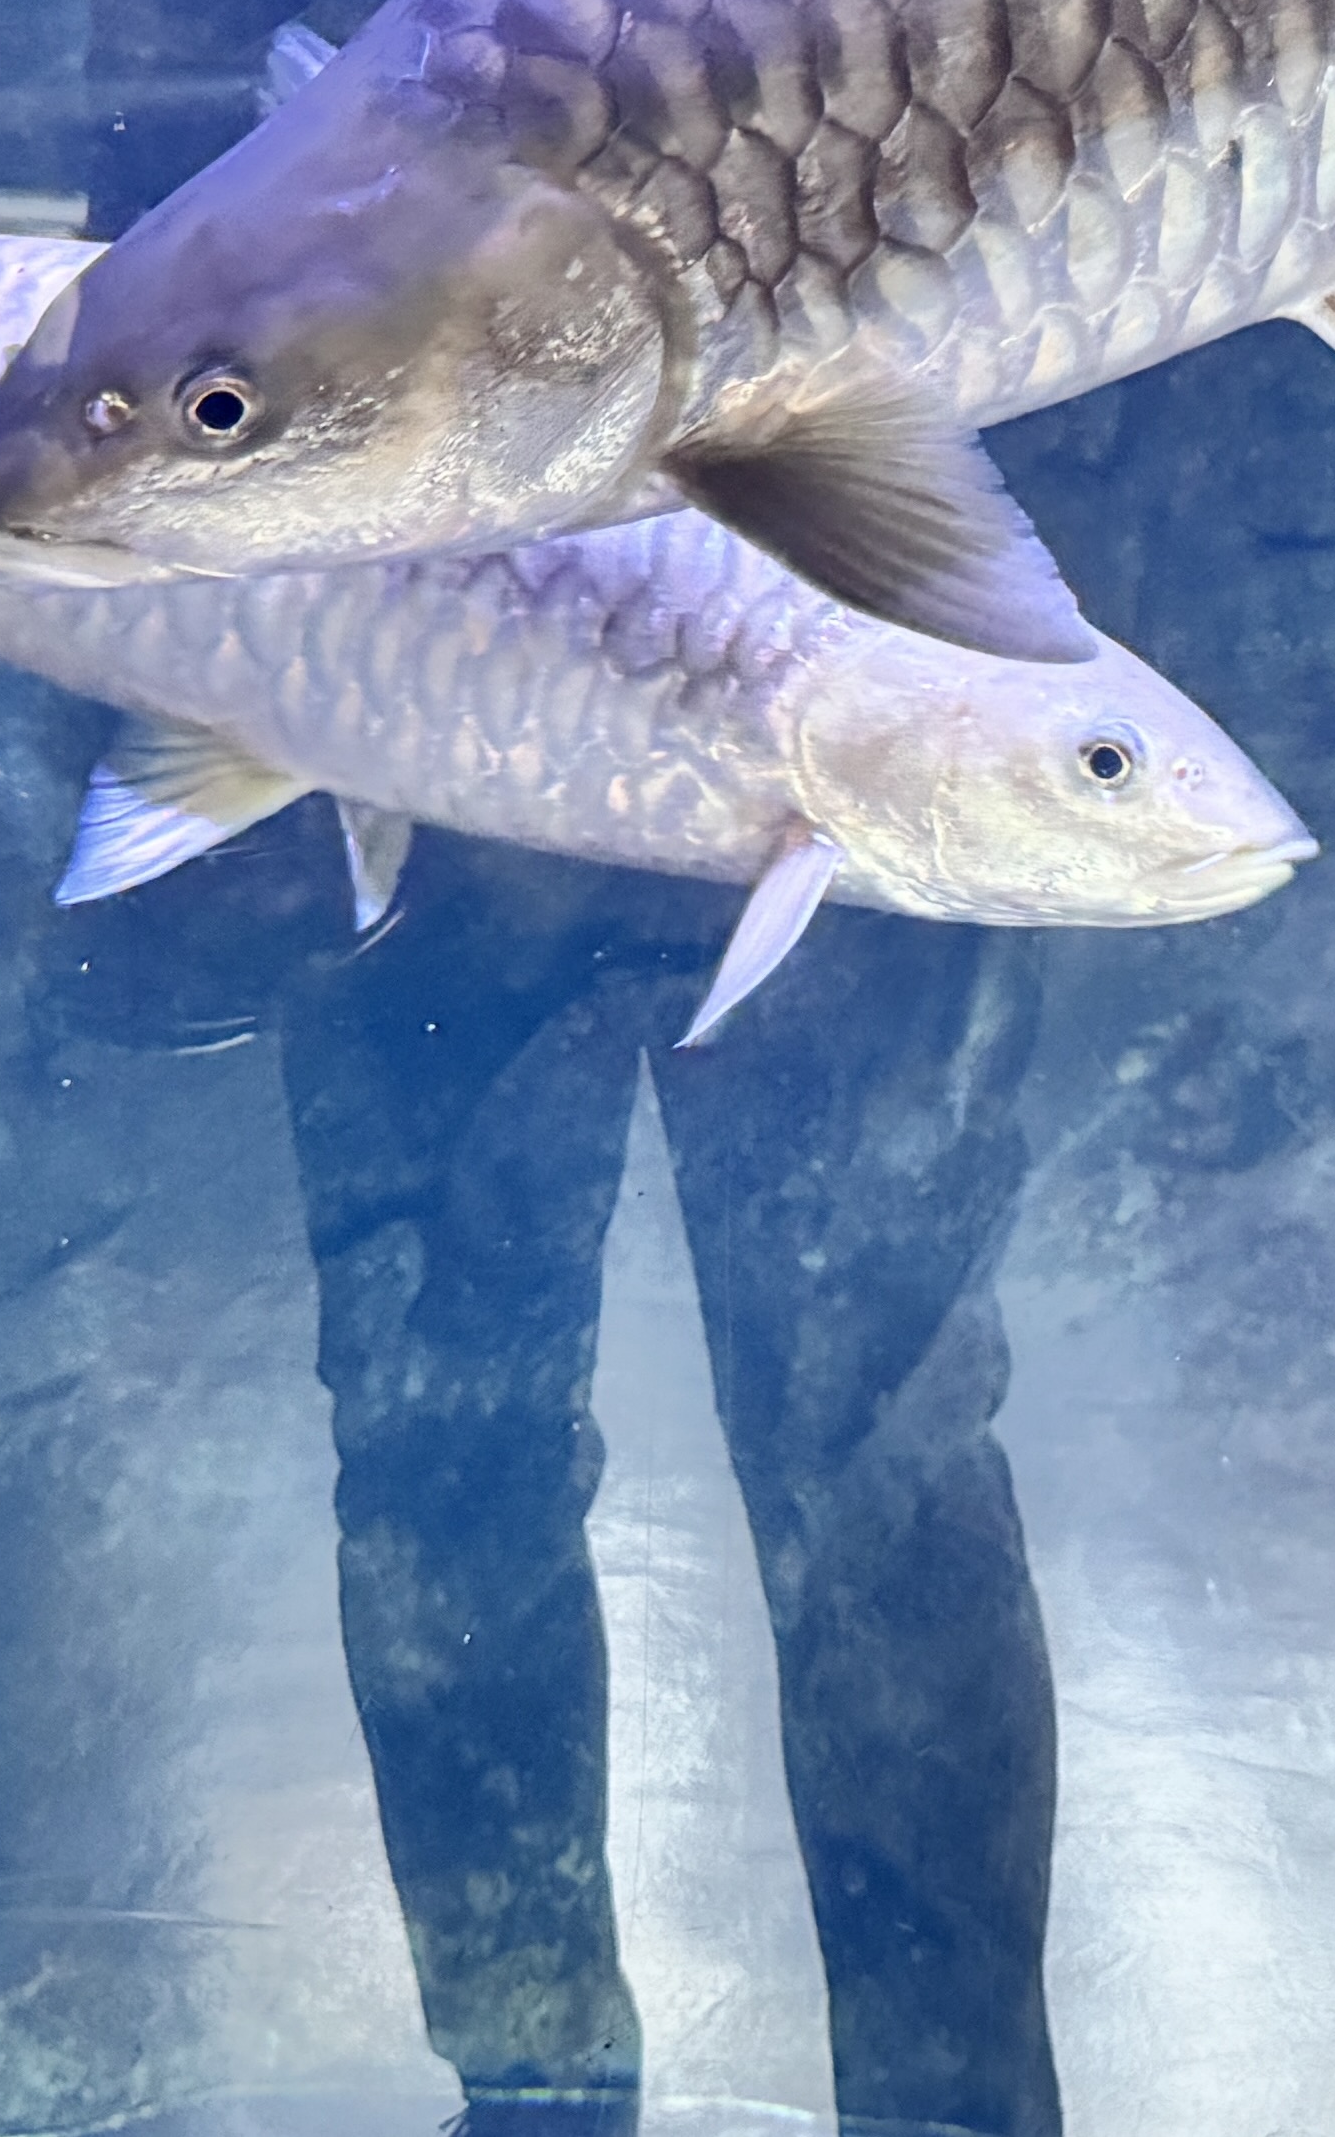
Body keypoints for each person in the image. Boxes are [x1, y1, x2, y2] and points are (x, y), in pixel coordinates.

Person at [269, 842, 1064, 2137]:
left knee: (871, 1473)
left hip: (825, 754)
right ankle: (544, 2092)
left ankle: (928, 2111)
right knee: (455, 1458)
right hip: (460, 797)